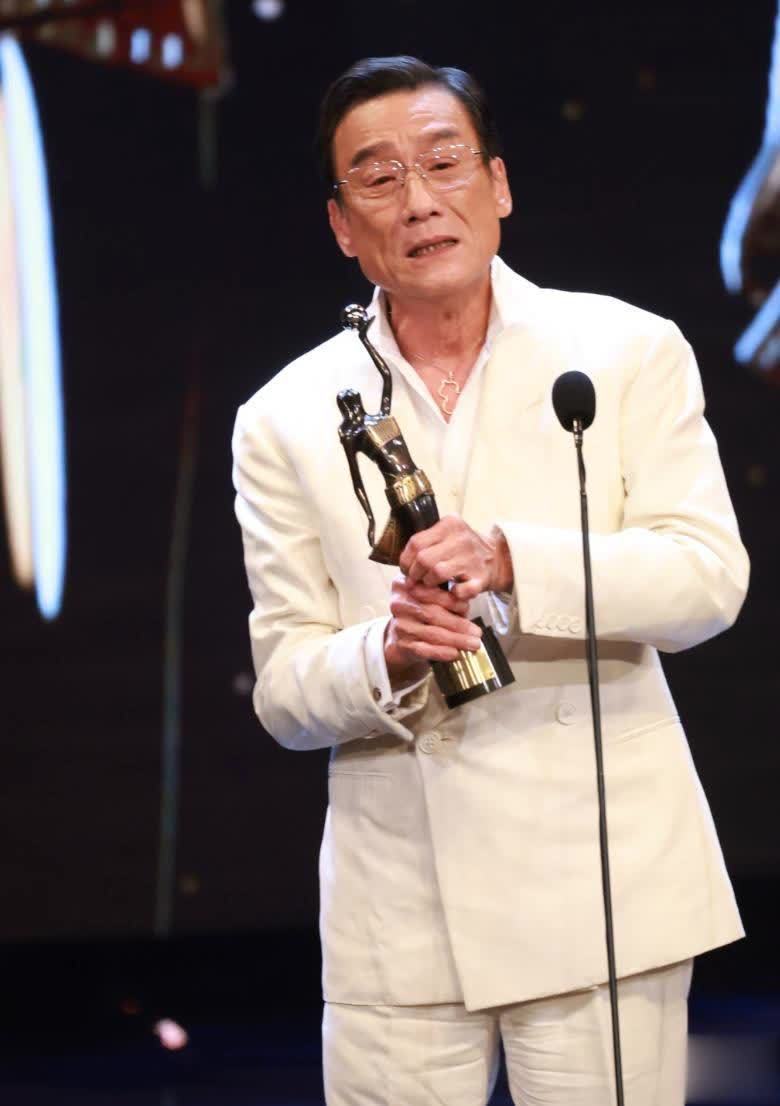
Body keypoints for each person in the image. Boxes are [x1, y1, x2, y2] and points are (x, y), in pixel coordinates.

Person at [232, 56, 749, 1106]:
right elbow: (284, 689)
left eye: (443, 162)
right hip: (399, 909)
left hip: (601, 881)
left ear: (499, 184)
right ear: (341, 225)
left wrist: (516, 558)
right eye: (379, 178)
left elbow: (706, 578)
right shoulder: (284, 416)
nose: (419, 200)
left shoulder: (624, 349)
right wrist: (385, 652)